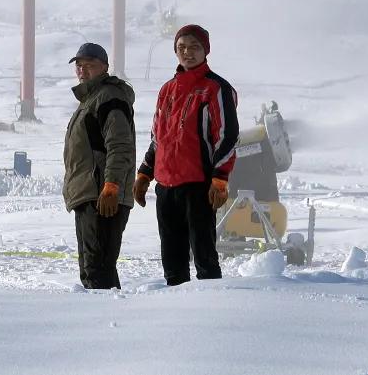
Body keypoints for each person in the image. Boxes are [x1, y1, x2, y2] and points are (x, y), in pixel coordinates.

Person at [134, 24, 238, 284]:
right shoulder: (167, 90)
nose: (187, 53)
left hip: (198, 185)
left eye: (194, 47)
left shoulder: (216, 88)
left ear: (206, 50)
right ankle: (176, 313)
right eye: (181, 48)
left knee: (204, 255)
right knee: (172, 257)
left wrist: (220, 178)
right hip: (166, 186)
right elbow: (158, 138)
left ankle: (210, 310)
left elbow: (227, 136)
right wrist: (145, 174)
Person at [63, 42, 137, 289]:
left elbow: (119, 145)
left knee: (98, 269)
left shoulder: (108, 97)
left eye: (90, 65)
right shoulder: (90, 100)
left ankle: (105, 323)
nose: (83, 71)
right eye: (79, 66)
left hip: (103, 196)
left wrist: (111, 186)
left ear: (104, 67)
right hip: (89, 194)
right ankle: (104, 320)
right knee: (92, 269)